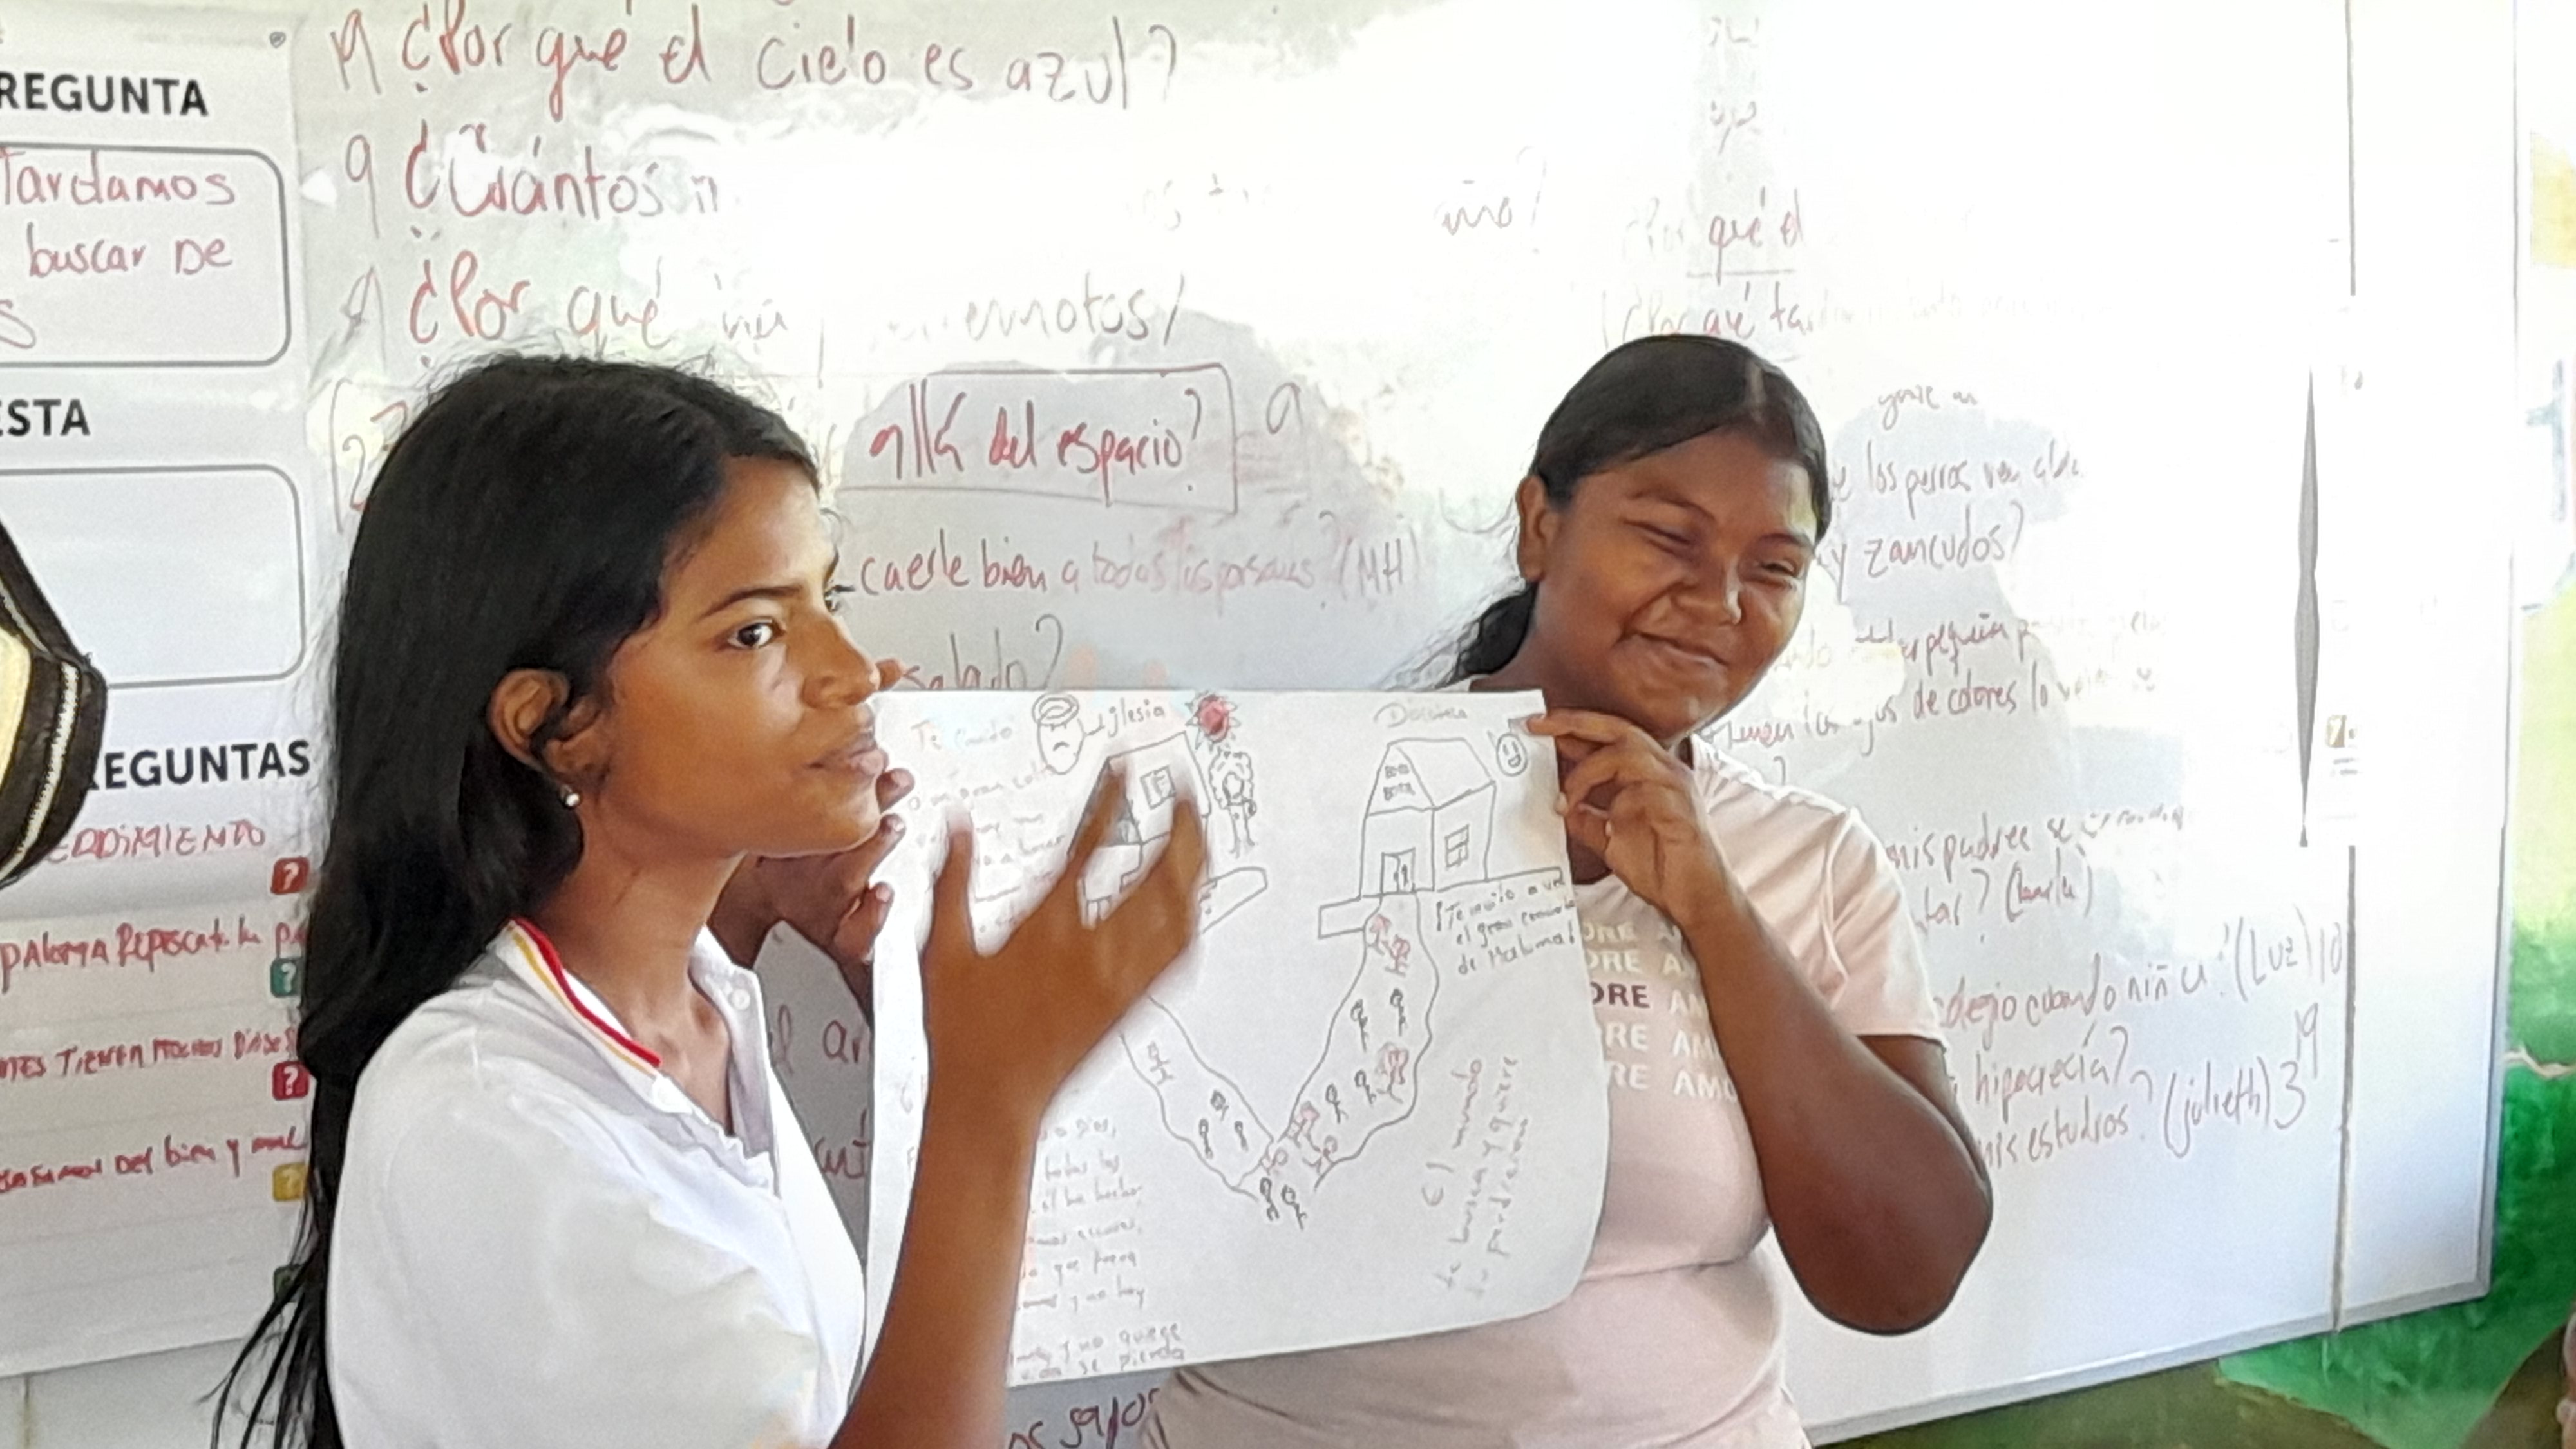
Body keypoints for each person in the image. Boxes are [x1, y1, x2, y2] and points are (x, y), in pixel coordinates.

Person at [214, 357, 1206, 1449]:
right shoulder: (484, 1115)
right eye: (754, 633)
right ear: (557, 726)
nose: (852, 670)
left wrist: (744, 915)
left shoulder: (697, 1000)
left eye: (830, 600)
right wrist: (986, 1105)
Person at [1147, 336, 1992, 1448]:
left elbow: (1905, 1274)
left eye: (1776, 567)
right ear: (1540, 523)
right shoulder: (1291, 801)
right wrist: (903, 978)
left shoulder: (1812, 862)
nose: (1721, 601)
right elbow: (1112, 1148)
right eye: (1667, 537)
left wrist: (1713, 910)